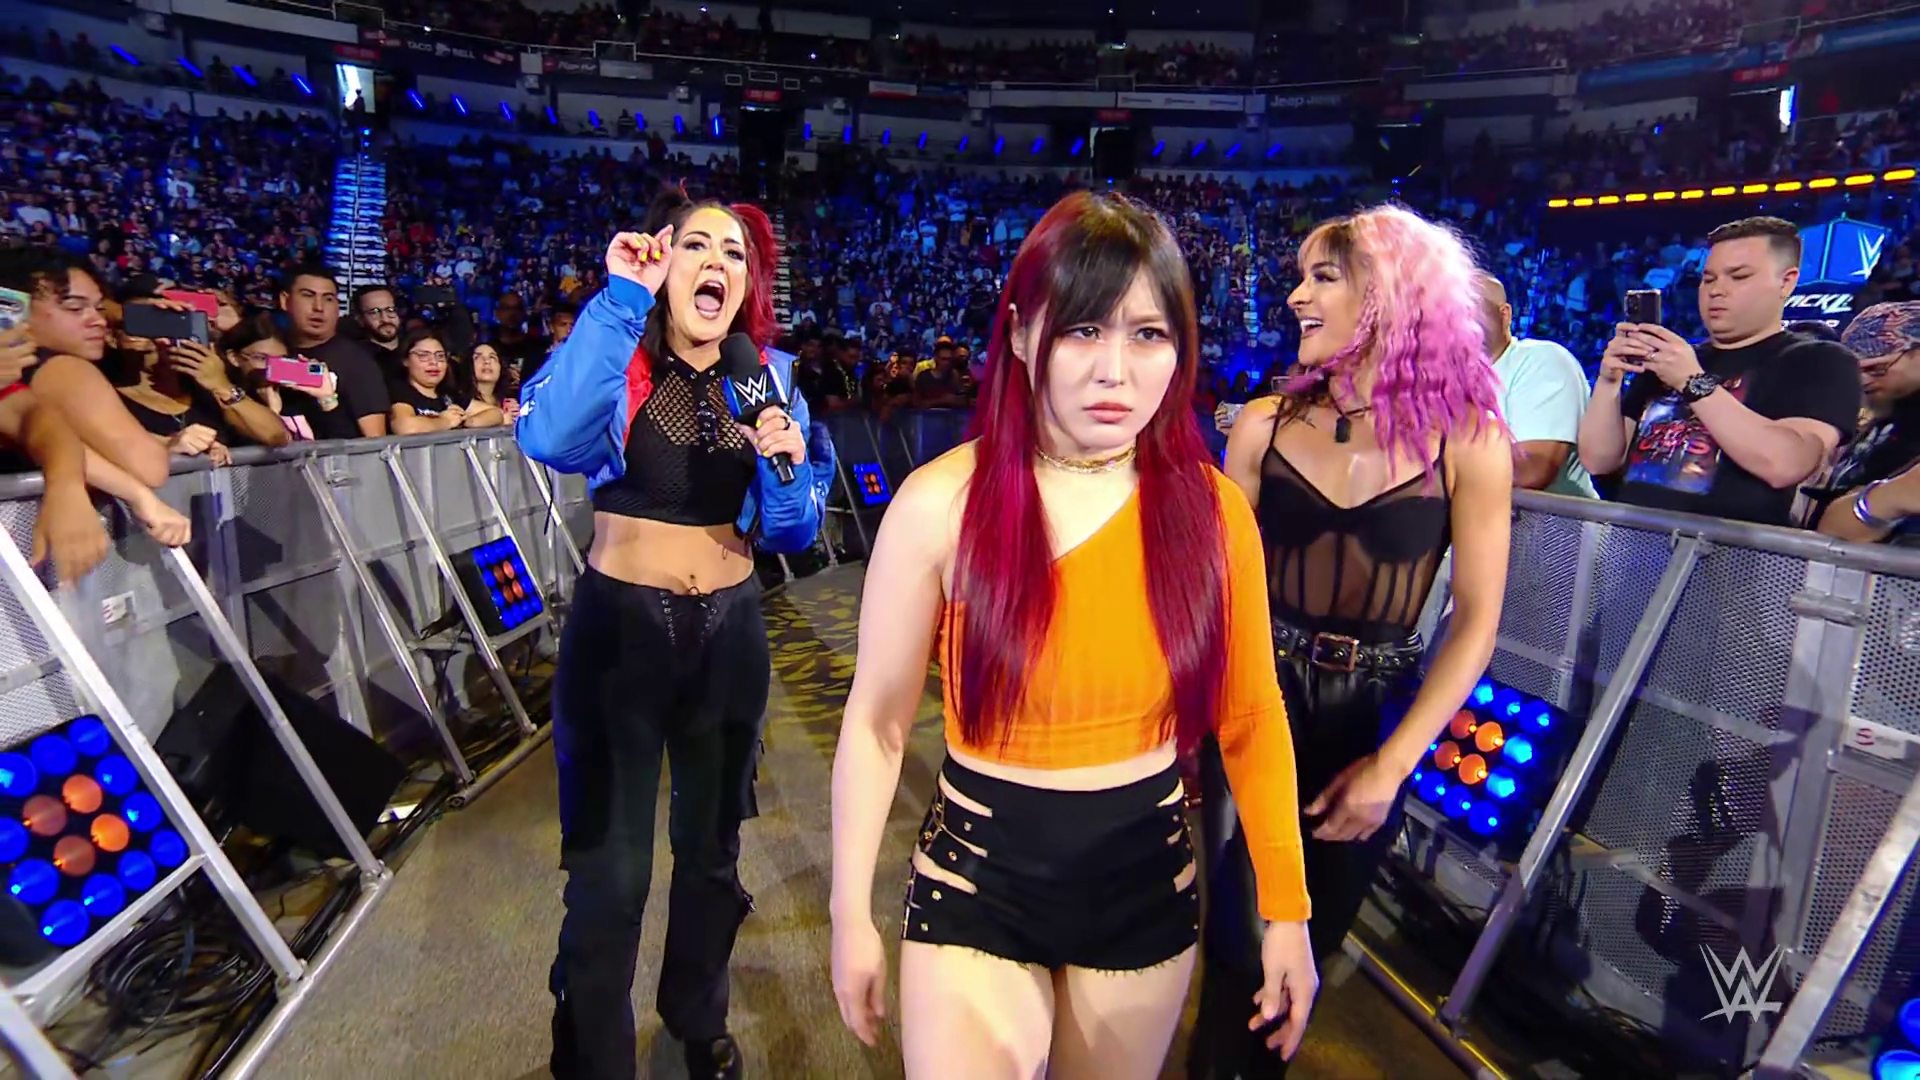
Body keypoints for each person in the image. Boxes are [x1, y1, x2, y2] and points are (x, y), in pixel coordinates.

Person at [830, 191, 1316, 1079]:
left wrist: (1287, 909)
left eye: (1148, 334)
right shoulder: (940, 504)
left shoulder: (1212, 515)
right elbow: (877, 723)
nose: (1115, 372)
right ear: (1021, 335)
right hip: (978, 877)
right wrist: (846, 910)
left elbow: (1251, 715)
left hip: (1144, 882)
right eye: (1084, 330)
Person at [515, 186, 831, 1080]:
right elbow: (550, 438)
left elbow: (796, 533)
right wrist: (620, 298)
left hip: (730, 636)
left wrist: (784, 464)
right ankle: (592, 1046)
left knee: (711, 857)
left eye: (735, 255)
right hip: (618, 638)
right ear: (663, 261)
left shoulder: (771, 379)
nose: (717, 264)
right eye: (697, 246)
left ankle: (697, 1018)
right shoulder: (618, 352)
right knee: (609, 872)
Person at [1200, 205, 1514, 1078]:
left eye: (1322, 277)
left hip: (1373, 719)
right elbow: (1221, 593)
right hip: (1260, 697)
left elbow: (1476, 620)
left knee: (1304, 951)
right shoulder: (1262, 424)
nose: (1296, 297)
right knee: (1239, 939)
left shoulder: (1472, 439)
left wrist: (1391, 766)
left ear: (1389, 294)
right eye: (1300, 277)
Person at [1577, 216, 1862, 527]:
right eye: (1709, 279)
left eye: (1739, 276)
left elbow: (1785, 464)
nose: (1717, 290)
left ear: (1786, 282)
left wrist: (1692, 381)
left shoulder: (1820, 360)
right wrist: (1609, 381)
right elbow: (1599, 460)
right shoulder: (1671, 359)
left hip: (1729, 553)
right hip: (1630, 544)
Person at [1477, 272, 1596, 496]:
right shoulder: (1443, 376)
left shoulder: (1542, 361)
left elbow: (1531, 471)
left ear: (1504, 315)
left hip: (1549, 518)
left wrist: (1440, 465)